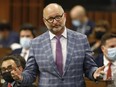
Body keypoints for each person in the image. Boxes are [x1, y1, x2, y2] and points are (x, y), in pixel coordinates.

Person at [11, 3, 105, 87]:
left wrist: (94, 73)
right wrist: (21, 77)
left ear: (64, 16)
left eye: (58, 17)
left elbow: (89, 67)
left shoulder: (81, 39)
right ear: (44, 21)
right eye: (50, 19)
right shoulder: (36, 43)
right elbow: (31, 73)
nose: (55, 22)